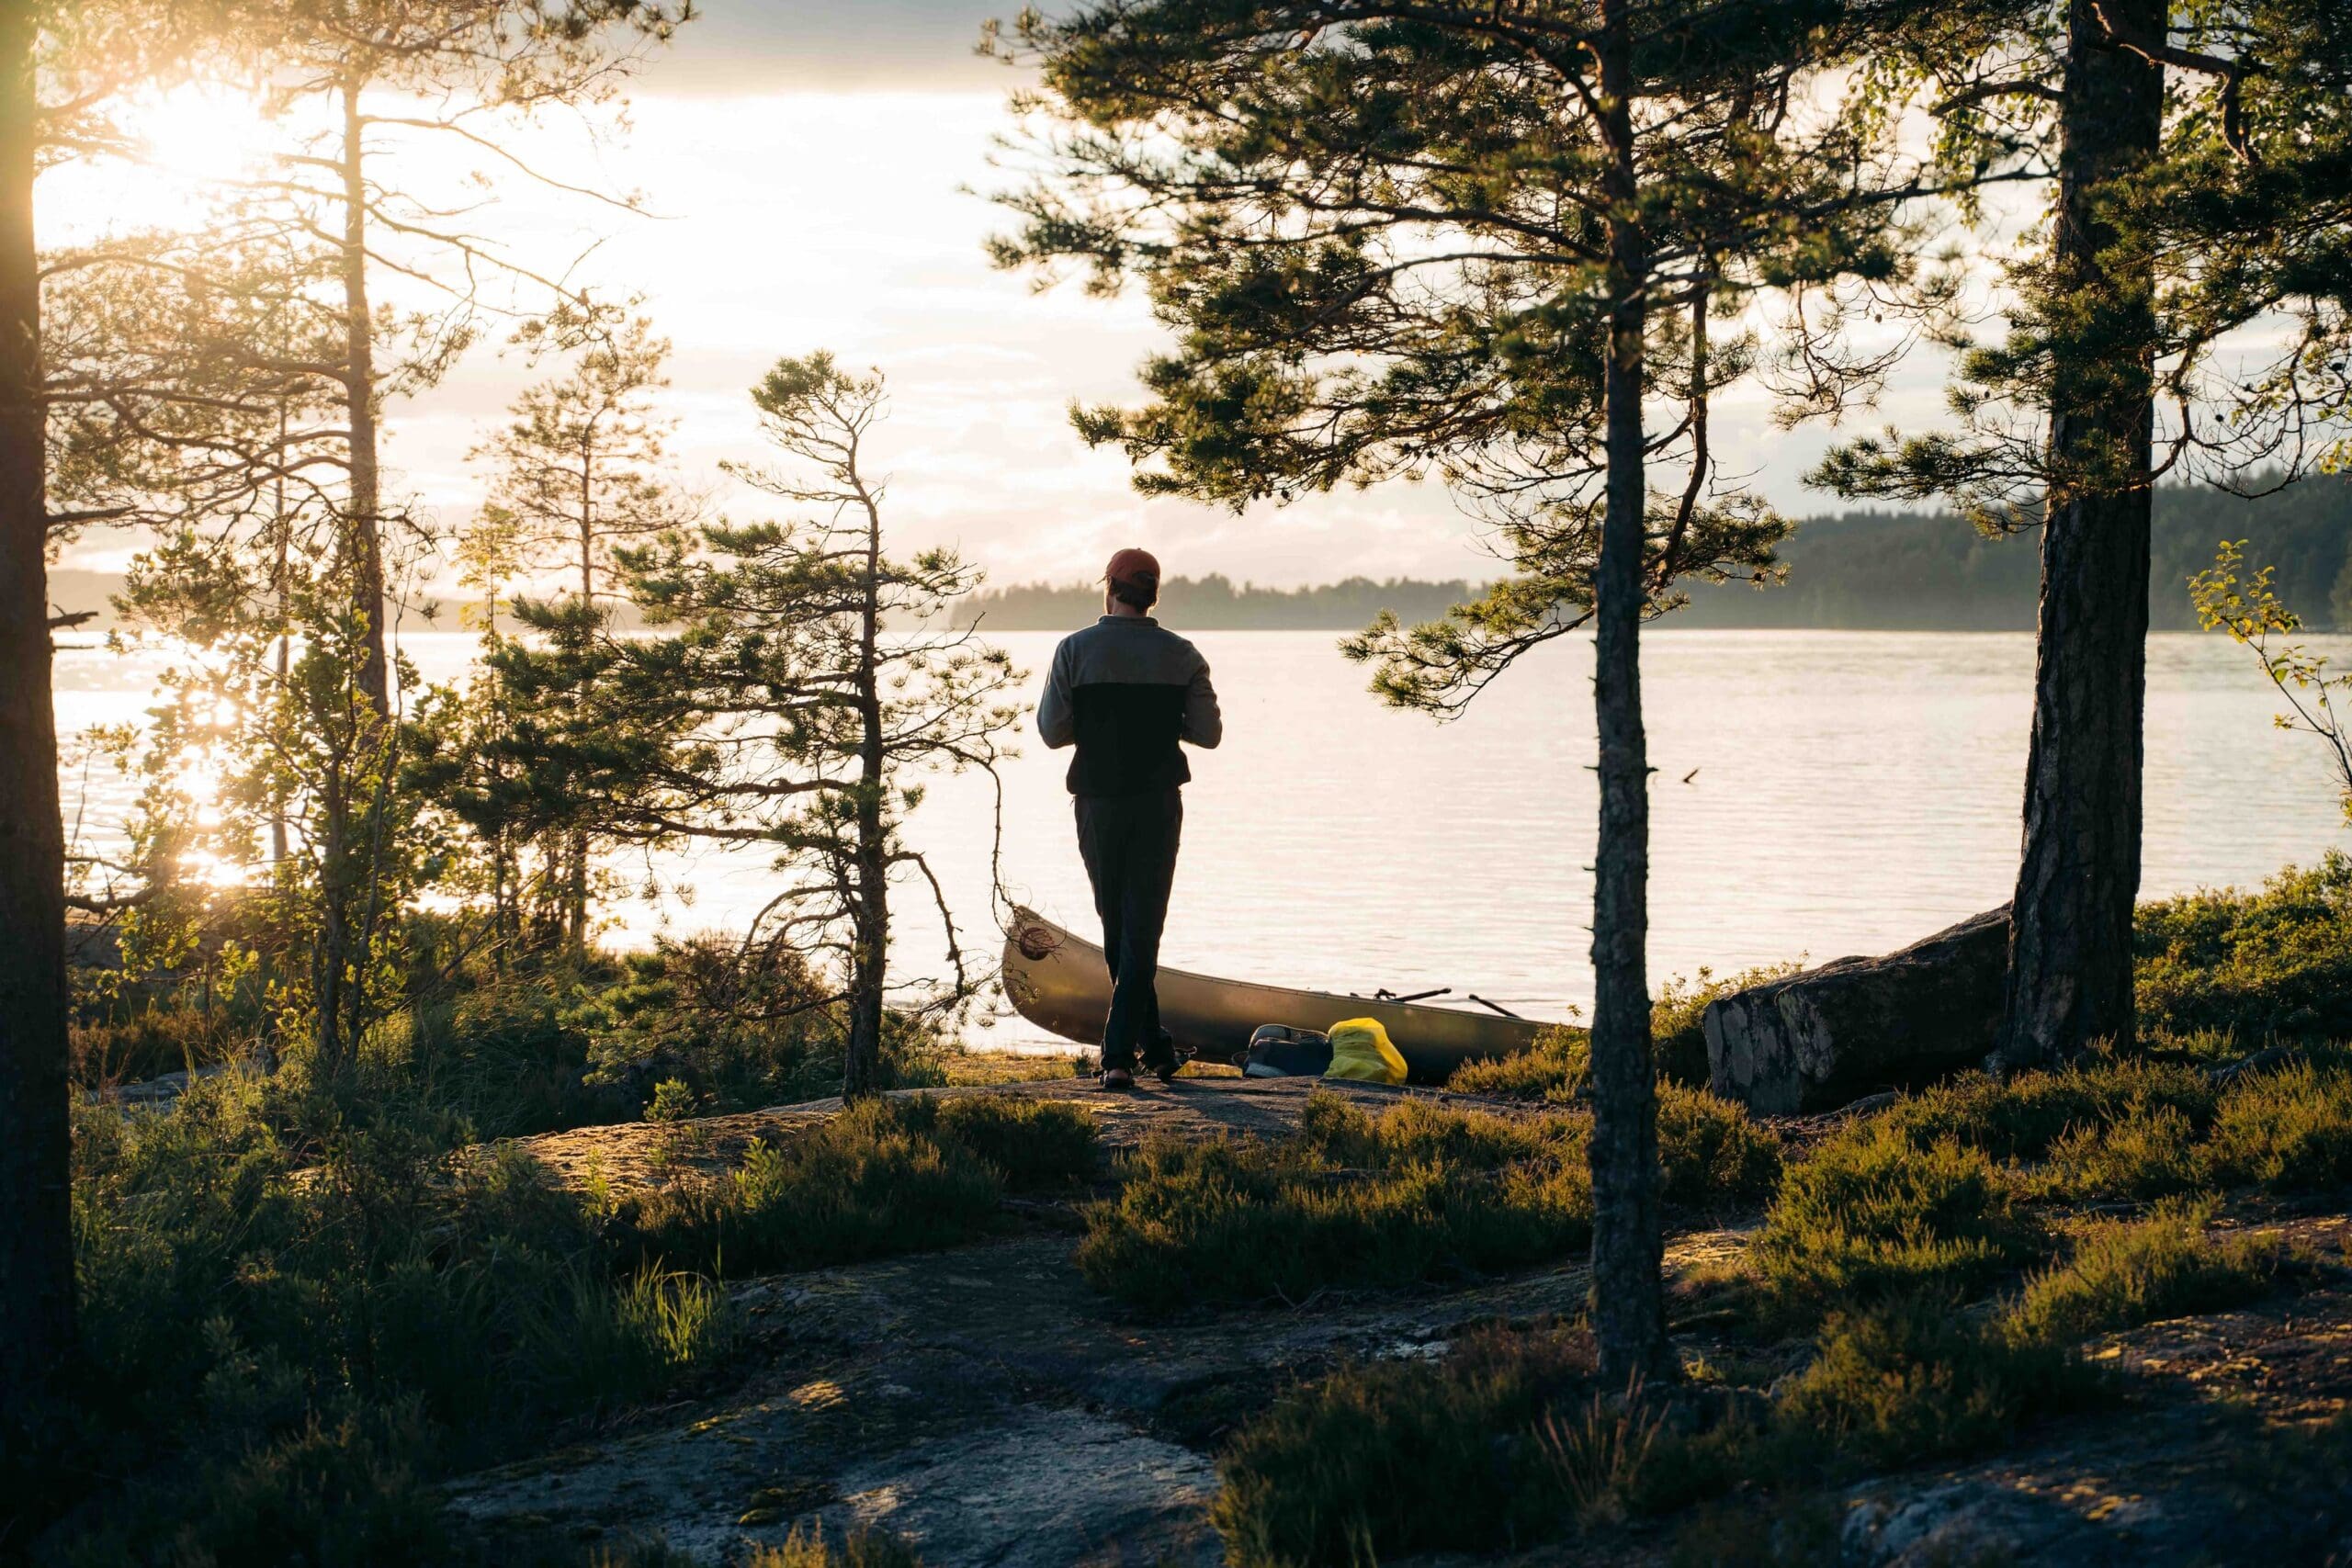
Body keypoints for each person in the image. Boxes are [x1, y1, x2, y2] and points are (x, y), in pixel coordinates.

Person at [1037, 547, 1222, 1089]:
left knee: (1120, 927)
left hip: (1097, 802)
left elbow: (1052, 732)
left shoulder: (1073, 650)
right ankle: (1157, 1049)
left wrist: (1099, 728)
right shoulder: (1183, 654)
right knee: (1138, 929)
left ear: (1109, 588)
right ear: (1153, 594)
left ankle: (1116, 1057)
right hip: (1159, 803)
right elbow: (1208, 733)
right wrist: (1159, 723)